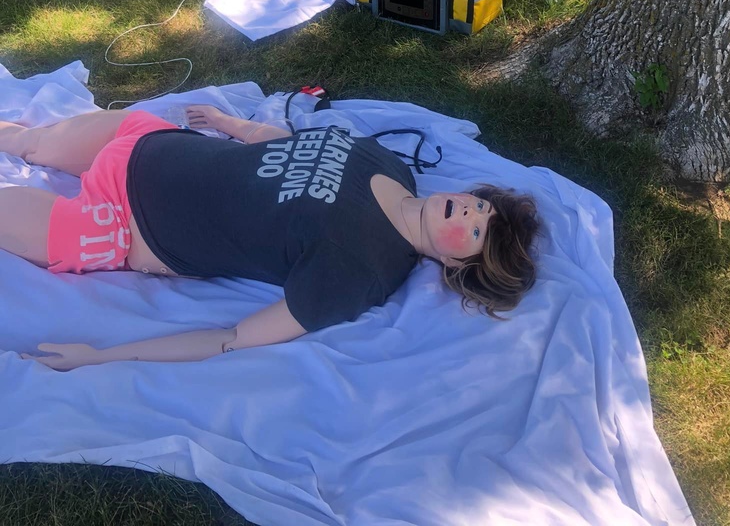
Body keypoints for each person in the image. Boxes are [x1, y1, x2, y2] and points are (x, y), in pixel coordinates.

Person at [0, 106, 539, 370]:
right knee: (28, 142)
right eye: (482, 207)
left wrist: (101, 358)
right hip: (151, 143)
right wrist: (230, 123)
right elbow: (293, 144)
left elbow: (231, 338)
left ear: (456, 266)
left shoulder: (359, 270)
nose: (471, 210)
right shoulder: (395, 168)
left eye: (474, 231)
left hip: (122, 225)